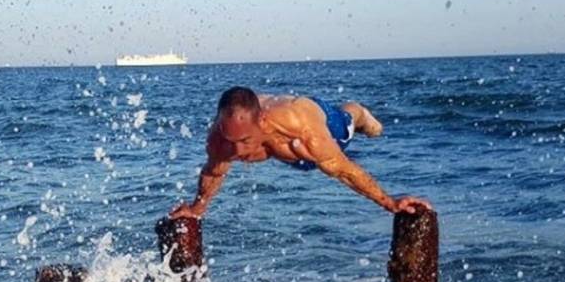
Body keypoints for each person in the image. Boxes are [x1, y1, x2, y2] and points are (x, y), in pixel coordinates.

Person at [170, 86, 431, 219]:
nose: (237, 150)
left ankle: (359, 113)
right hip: (290, 149)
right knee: (293, 152)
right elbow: (214, 172)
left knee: (352, 125)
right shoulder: (220, 139)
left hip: (323, 125)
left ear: (262, 121)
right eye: (231, 140)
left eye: (245, 140)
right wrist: (196, 208)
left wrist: (390, 203)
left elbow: (345, 171)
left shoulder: (298, 126)